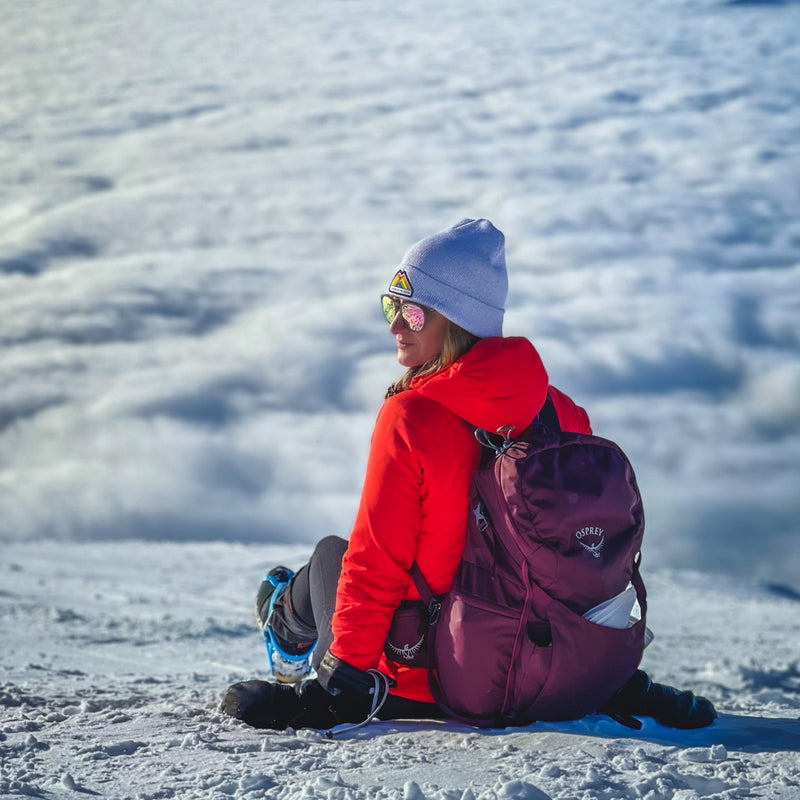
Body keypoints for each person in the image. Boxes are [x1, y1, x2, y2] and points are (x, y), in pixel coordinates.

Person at [221, 219, 716, 732]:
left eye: (412, 311)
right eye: (390, 306)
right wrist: (605, 674)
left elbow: (377, 561)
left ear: (458, 320)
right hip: (545, 671)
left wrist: (339, 685)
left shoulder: (411, 416)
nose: (395, 326)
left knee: (331, 555)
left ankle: (284, 625)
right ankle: (284, 615)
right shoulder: (563, 414)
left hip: (427, 681)